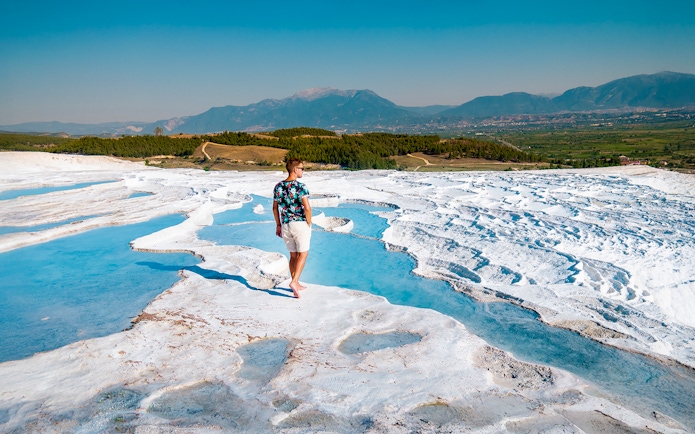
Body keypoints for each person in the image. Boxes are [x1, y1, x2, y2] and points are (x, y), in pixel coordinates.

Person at [273, 159, 312, 298]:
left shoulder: (278, 186)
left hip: (285, 225)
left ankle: (296, 282)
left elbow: (274, 208)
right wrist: (308, 223)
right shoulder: (301, 186)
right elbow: (307, 208)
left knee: (293, 255)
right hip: (299, 223)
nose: (303, 170)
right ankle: (294, 282)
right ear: (295, 169)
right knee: (303, 254)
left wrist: (278, 224)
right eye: (302, 168)